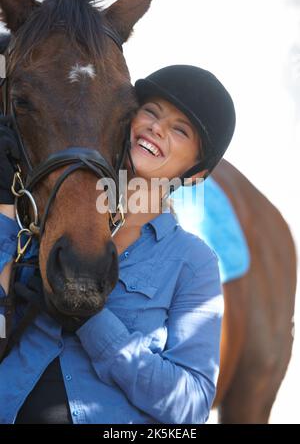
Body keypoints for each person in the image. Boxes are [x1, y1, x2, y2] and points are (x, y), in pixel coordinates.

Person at [0, 65, 236, 424]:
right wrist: (4, 208)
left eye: (179, 129)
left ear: (196, 174)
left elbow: (191, 407)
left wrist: (92, 321)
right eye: (151, 112)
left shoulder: (194, 262)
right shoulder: (43, 218)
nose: (157, 128)